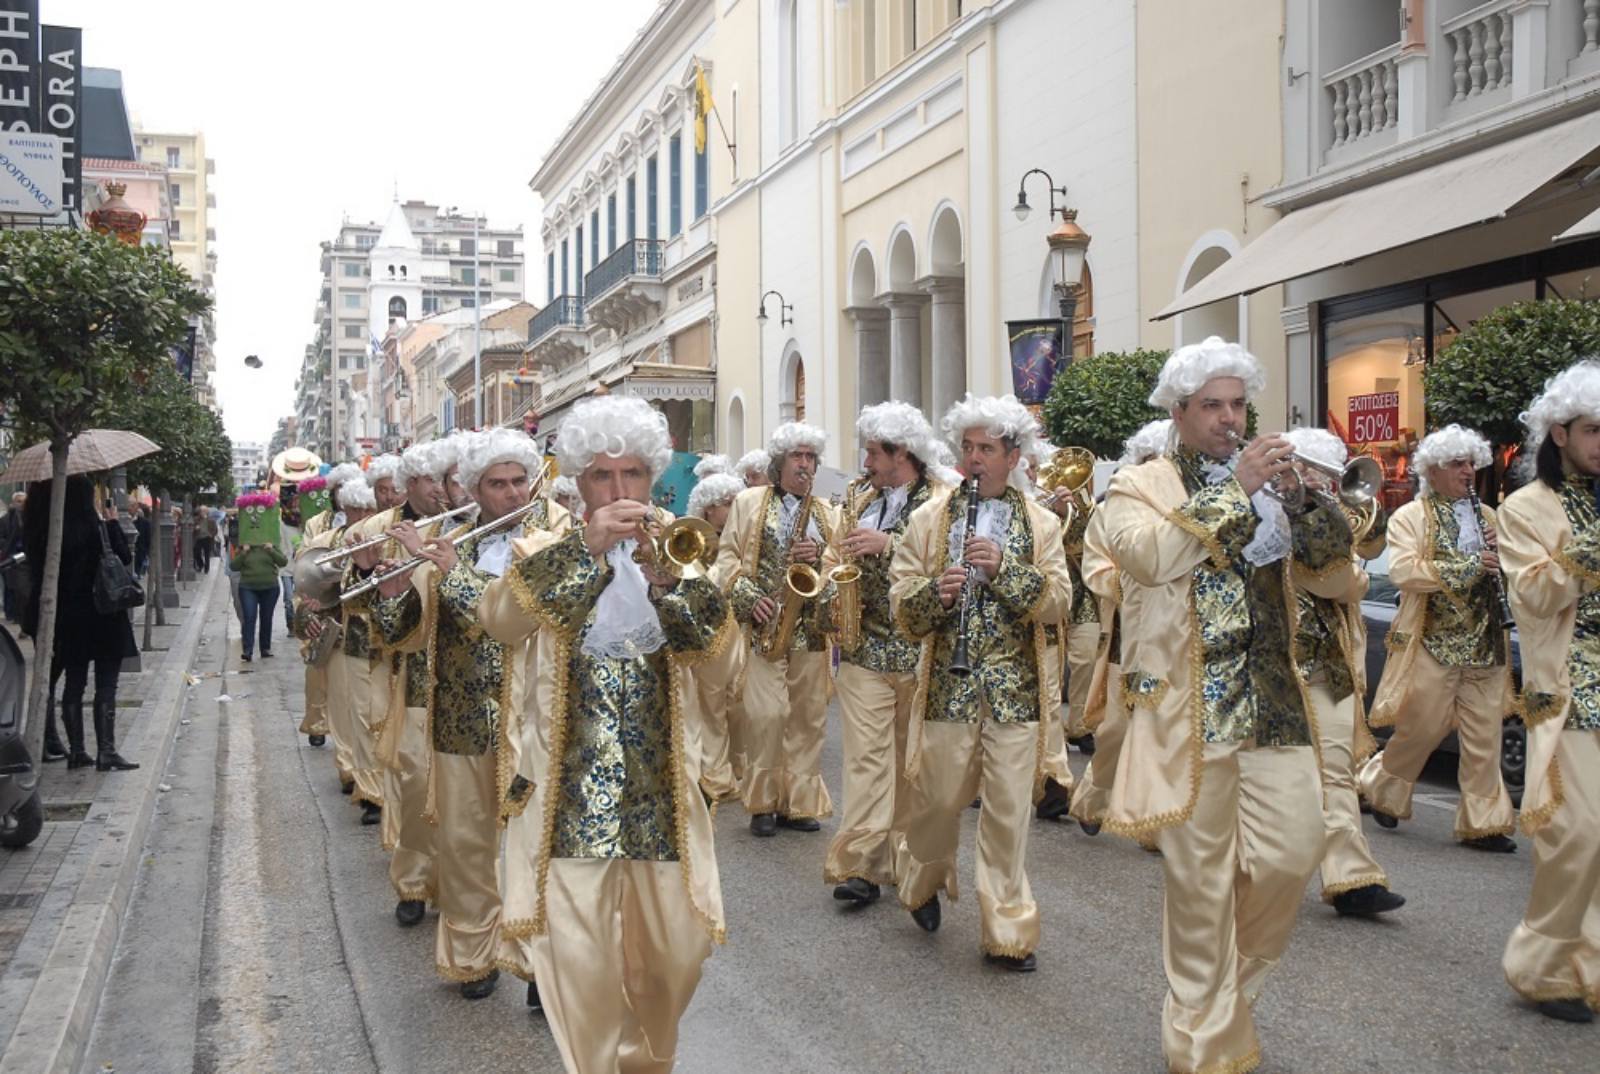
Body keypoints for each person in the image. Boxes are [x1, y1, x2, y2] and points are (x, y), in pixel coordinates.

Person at [478, 395, 732, 1072]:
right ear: (579, 483)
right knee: (581, 967)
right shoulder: (541, 548)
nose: (621, 493)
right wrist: (586, 550)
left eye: (634, 476)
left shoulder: (681, 550)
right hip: (568, 801)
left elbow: (723, 668)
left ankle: (644, 1060)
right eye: (603, 477)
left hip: (659, 799)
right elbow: (500, 622)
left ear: (655, 480)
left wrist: (670, 585)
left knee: (677, 957)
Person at [1099, 337, 1330, 1074]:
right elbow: (1148, 557)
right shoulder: (1143, 484)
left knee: (1294, 855)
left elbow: (1333, 566)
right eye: (1213, 407)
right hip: (1189, 710)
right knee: (1199, 884)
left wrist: (1300, 498)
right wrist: (1237, 486)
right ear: (1180, 411)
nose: (1230, 419)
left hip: (1273, 702)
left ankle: (1227, 996)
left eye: (1238, 404)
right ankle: (1202, 1033)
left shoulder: (1272, 482)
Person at [887, 393, 1070, 971]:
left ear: (1013, 455)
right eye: (967, 448)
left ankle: (1008, 929)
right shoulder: (927, 519)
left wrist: (1007, 571)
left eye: (986, 448)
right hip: (948, 688)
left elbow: (1059, 601)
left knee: (1010, 813)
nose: (974, 459)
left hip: (1015, 693)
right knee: (939, 801)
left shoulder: (1042, 523)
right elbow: (901, 604)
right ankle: (922, 876)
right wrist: (933, 596)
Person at [373, 428, 545, 999]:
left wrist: (455, 577)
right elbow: (401, 635)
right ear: (474, 491)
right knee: (467, 845)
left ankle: (537, 959)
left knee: (537, 844)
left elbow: (530, 619)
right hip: (463, 717)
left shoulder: (554, 544)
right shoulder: (447, 548)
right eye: (497, 484)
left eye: (520, 481)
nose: (513, 494)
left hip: (539, 719)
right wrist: (393, 590)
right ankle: (473, 953)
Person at [1357, 424, 1518, 853]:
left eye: (1470, 463)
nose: (1467, 471)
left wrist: (1502, 559)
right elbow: (1404, 571)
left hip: (1484, 645)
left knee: (1485, 737)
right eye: (1456, 464)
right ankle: (1383, 787)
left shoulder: (1488, 516)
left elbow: (1511, 572)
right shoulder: (1411, 517)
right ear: (1433, 470)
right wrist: (1467, 567)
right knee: (1421, 730)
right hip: (1432, 642)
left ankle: (1484, 824)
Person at [1497, 360, 1600, 1024]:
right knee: (1580, 833)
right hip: (1570, 690)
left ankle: (1580, 964)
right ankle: (1540, 962)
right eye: (1595, 429)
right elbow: (1532, 596)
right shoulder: (1524, 508)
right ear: (1559, 433)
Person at [821, 401, 955, 907]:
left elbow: (949, 559)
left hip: (921, 651)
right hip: (862, 650)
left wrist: (889, 543)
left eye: (874, 454)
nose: (866, 463)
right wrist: (833, 580)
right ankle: (862, 864)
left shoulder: (944, 500)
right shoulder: (859, 496)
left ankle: (913, 864)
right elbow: (839, 552)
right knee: (867, 761)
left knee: (914, 768)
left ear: (902, 453)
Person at [1281, 427, 1405, 919]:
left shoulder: (1332, 520)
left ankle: (1351, 879)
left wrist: (1323, 509)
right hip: (1272, 663)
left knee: (1335, 774)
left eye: (1320, 469)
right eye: (1305, 467)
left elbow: (1356, 571)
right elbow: (1331, 579)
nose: (1312, 477)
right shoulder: (1267, 511)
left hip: (1324, 665)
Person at [345, 439, 459, 912]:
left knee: (467, 803)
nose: (444, 491)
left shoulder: (471, 525)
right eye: (436, 480)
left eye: (450, 479)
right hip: (408, 670)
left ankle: (460, 895)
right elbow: (348, 597)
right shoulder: (378, 528)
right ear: (414, 483)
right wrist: (363, 570)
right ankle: (413, 881)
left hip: (472, 678)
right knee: (413, 784)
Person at [715, 423, 839, 837]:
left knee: (808, 719)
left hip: (811, 630)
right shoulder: (749, 503)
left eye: (810, 458)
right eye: (796, 457)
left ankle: (799, 804)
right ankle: (763, 802)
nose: (804, 465)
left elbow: (840, 568)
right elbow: (728, 557)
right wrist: (751, 598)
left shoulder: (828, 513)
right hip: (766, 624)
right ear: (780, 463)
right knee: (767, 715)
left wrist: (820, 555)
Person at [1067, 419, 1169, 846]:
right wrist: (1128, 585)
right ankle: (1093, 795)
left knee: (1163, 727)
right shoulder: (1114, 509)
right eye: (1154, 460)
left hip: (1175, 637)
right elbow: (1096, 566)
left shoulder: (1187, 504)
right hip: (1127, 636)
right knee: (1116, 731)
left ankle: (1158, 823)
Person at [22, 476, 140, 772]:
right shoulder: (96, 527)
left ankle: (76, 751)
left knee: (74, 683)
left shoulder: (44, 531)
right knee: (106, 685)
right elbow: (124, 558)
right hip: (104, 615)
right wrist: (112, 523)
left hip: (69, 619)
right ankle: (106, 751)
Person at [686, 471, 749, 799]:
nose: (734, 507)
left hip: (740, 633)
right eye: (727, 503)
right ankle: (714, 775)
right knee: (711, 705)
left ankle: (738, 768)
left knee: (738, 705)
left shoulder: (741, 538)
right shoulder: (692, 539)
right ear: (708, 509)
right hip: (709, 635)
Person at [231, 535, 287, 662]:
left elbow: (283, 562)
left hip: (270, 587)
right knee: (249, 617)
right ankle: (247, 650)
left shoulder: (271, 543)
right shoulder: (244, 545)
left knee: (266, 618)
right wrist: (244, 552)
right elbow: (234, 566)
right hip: (248, 587)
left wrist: (271, 550)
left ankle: (265, 648)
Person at [1, 491, 25, 622]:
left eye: (23, 501)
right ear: (13, 502)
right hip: (10, 557)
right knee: (10, 587)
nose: (21, 504)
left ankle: (19, 615)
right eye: (19, 501)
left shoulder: (29, 517)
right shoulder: (5, 519)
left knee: (22, 588)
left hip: (24, 557)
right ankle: (11, 613)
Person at [193, 505, 217, 573]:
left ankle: (207, 569)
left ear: (207, 511)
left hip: (207, 538)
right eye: (201, 511)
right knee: (196, 553)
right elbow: (191, 528)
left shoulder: (211, 520)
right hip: (198, 538)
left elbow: (215, 530)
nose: (202, 512)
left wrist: (211, 535)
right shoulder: (196, 519)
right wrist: (195, 528)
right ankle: (201, 564)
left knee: (207, 554)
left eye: (204, 511)